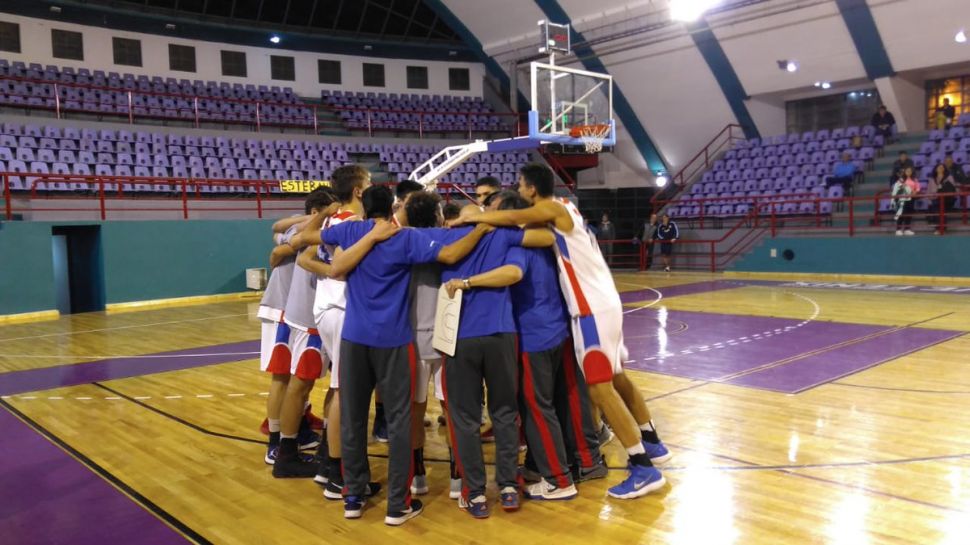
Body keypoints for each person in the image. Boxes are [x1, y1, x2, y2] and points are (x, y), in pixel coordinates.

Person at [455, 163, 671, 501]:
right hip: (605, 302)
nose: (518, 189)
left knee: (599, 389)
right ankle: (652, 441)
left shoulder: (553, 209)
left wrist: (475, 220)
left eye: (520, 184)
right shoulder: (565, 209)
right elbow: (527, 228)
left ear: (531, 189)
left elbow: (512, 219)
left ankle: (643, 467)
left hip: (590, 309)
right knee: (616, 376)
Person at [323, 185, 495, 526]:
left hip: (356, 337)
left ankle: (354, 495)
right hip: (406, 339)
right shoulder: (408, 239)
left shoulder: (351, 231)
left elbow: (313, 243)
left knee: (357, 417)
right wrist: (479, 228)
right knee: (420, 416)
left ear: (362, 207)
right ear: (391, 208)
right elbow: (451, 254)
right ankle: (406, 501)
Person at [258, 192, 333, 467]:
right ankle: (275, 442)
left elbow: (277, 232)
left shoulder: (301, 227)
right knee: (282, 378)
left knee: (294, 378)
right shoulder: (305, 229)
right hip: (281, 307)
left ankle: (295, 430)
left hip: (291, 309)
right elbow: (280, 245)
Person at [925, 163, 957, 235]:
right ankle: (938, 228)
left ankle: (943, 229)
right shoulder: (932, 179)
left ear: (944, 169)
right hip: (935, 199)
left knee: (941, 211)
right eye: (939, 167)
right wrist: (930, 200)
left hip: (946, 200)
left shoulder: (949, 177)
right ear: (936, 169)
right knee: (936, 210)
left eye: (942, 167)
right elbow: (929, 192)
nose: (940, 169)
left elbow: (952, 189)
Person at [892, 166, 919, 236]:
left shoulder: (915, 179)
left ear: (912, 172)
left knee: (909, 214)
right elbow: (896, 188)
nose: (908, 172)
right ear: (905, 172)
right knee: (901, 213)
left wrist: (915, 192)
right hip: (902, 199)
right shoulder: (901, 179)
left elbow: (918, 188)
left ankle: (907, 229)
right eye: (907, 171)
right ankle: (898, 229)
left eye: (910, 171)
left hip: (911, 199)